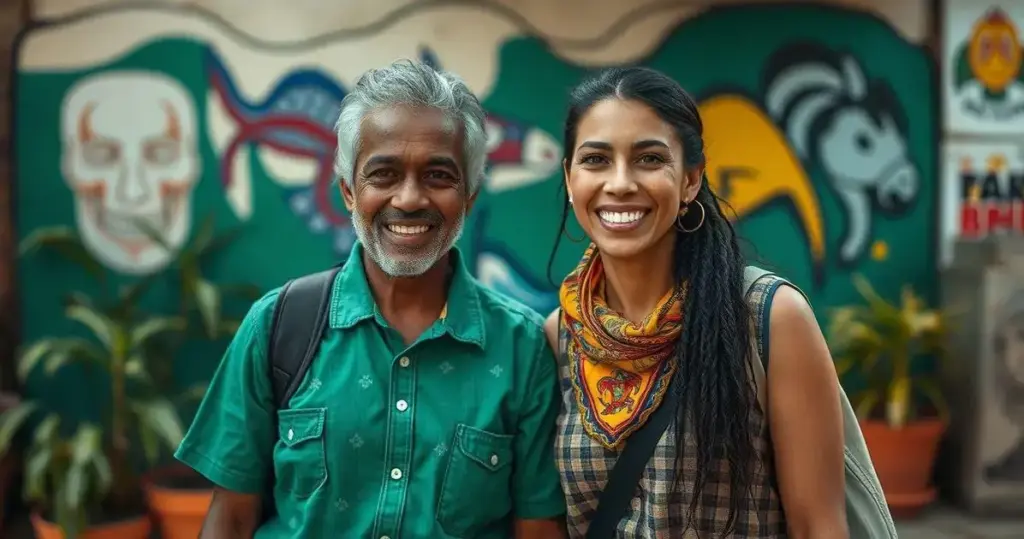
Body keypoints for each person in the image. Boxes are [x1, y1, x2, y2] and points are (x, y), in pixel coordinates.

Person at [176, 59, 567, 539]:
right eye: (383, 174)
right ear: (347, 191)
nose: (408, 199)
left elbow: (538, 528)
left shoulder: (521, 348)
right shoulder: (278, 327)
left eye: (438, 176)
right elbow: (231, 517)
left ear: (469, 195)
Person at [544, 67, 848, 538]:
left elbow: (818, 526)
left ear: (689, 180)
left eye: (648, 159)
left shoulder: (766, 318)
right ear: (569, 178)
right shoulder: (560, 336)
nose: (620, 183)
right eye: (596, 160)